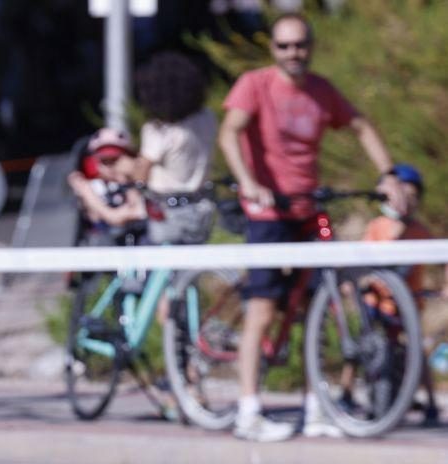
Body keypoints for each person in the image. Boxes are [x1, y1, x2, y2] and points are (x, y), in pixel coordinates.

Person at [218, 13, 407, 442]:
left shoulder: (322, 92)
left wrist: (388, 175)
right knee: (263, 310)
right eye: (284, 46)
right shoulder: (255, 84)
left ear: (311, 46)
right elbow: (230, 133)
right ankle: (248, 410)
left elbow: (360, 125)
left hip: (310, 209)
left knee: (321, 307)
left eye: (300, 45)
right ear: (273, 49)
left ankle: (315, 406)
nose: (293, 54)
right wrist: (249, 182)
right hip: (268, 211)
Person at [359, 163, 446, 425]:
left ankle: (430, 401)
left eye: (411, 197)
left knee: (416, 350)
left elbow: (441, 256)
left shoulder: (419, 231)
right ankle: (349, 390)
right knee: (366, 347)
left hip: (409, 302)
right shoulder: (378, 226)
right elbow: (361, 259)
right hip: (378, 302)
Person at [133, 50, 218, 246]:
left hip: (167, 211)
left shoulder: (160, 131)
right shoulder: (207, 118)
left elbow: (141, 172)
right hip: (201, 206)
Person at [66, 127, 146, 240]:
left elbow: (139, 211)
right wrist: (86, 192)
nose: (110, 167)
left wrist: (127, 179)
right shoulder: (93, 187)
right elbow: (109, 218)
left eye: (115, 160)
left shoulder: (138, 185)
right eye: (104, 161)